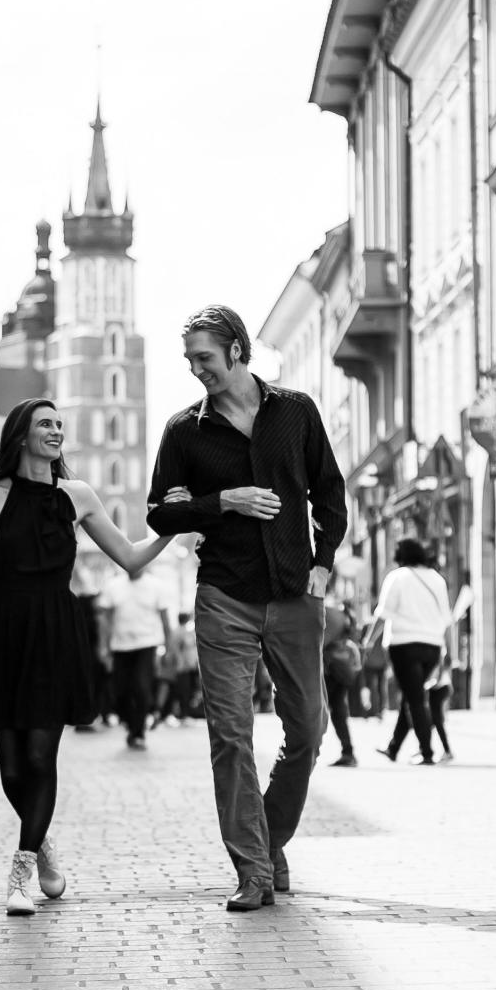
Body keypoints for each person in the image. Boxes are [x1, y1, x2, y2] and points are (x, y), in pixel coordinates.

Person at [146, 303, 347, 912]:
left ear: (236, 349)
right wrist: (222, 501)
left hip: (293, 595)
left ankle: (269, 839)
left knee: (307, 731)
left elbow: (330, 491)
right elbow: (160, 511)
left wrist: (321, 565)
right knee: (230, 737)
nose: (196, 370)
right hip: (224, 597)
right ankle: (253, 870)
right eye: (189, 361)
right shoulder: (185, 431)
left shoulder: (297, 412)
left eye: (204, 358)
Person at [0, 398, 173, 915]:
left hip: (55, 632)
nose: (55, 432)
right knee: (10, 769)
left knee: (38, 757)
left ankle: (19, 873)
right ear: (21, 436)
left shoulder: (78, 496)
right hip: (3, 634)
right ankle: (44, 845)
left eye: (59, 425)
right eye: (44, 424)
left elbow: (130, 555)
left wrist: (174, 526)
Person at [365, 539, 451, 765]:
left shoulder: (397, 577)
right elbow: (446, 618)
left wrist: (368, 641)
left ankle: (427, 752)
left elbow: (382, 614)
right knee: (413, 696)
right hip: (432, 646)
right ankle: (394, 748)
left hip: (404, 646)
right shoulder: (437, 579)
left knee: (414, 698)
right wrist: (446, 648)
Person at [98, 567, 172, 750]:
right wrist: (103, 646)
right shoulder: (113, 586)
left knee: (141, 687)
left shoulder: (156, 586)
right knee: (120, 690)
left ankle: (138, 732)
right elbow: (104, 619)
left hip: (146, 645)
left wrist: (169, 649)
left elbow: (165, 620)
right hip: (120, 647)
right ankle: (130, 724)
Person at [322, 596, 361, 767]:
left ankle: (347, 752)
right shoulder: (348, 617)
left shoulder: (331, 614)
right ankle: (348, 751)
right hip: (345, 668)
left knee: (326, 709)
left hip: (332, 668)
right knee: (338, 710)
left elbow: (323, 641)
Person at [162, 610, 200, 722]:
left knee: (183, 689)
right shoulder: (182, 632)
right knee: (184, 689)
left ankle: (182, 712)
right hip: (182, 666)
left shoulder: (180, 631)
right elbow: (178, 649)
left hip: (184, 665)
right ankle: (183, 713)